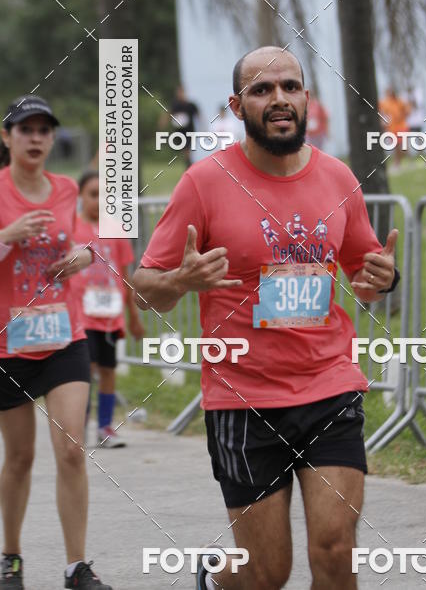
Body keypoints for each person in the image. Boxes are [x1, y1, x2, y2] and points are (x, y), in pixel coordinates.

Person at [133, 47, 399, 590]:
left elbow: (365, 275)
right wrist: (181, 280)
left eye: (290, 86)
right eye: (261, 89)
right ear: (237, 106)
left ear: (306, 98)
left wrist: (385, 278)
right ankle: (216, 578)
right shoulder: (204, 183)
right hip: (244, 399)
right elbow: (143, 290)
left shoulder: (338, 178)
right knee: (264, 573)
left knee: (336, 550)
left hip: (329, 387)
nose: (279, 98)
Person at [0, 96, 112, 590]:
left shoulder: (67, 189)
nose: (36, 138)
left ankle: (76, 567)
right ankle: (11, 558)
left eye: (44, 130)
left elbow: (89, 243)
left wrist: (83, 257)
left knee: (70, 449)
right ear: (7, 137)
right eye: (26, 129)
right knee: (19, 457)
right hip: (9, 344)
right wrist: (8, 234)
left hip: (64, 336)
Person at [70, 170, 144, 449]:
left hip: (111, 316)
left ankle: (105, 427)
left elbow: (125, 275)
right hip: (81, 315)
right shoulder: (72, 228)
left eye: (104, 195)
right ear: (80, 196)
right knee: (85, 370)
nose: (99, 200)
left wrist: (134, 317)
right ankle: (79, 427)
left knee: (108, 369)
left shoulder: (116, 230)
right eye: (93, 194)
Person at [159, 85, 201, 168]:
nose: (180, 94)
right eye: (178, 93)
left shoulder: (190, 105)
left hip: (189, 132)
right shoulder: (175, 105)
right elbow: (168, 114)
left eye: (181, 92)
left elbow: (198, 116)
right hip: (179, 133)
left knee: (187, 151)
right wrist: (162, 123)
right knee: (184, 152)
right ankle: (189, 166)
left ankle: (189, 168)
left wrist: (202, 127)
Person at [378, 86, 410, 169]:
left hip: (402, 126)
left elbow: (407, 111)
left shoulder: (399, 101)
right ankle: (397, 162)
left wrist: (401, 116)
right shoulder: (384, 102)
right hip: (392, 127)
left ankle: (407, 160)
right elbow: (380, 112)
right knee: (396, 146)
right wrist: (382, 121)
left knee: (404, 147)